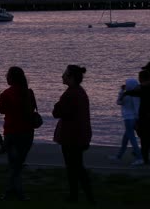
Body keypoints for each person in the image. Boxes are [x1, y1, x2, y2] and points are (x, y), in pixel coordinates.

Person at [53, 65, 95, 204]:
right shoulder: (79, 92)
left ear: (71, 77)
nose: (62, 76)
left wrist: (57, 106)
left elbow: (58, 112)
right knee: (75, 167)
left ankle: (81, 196)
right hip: (78, 136)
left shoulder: (71, 94)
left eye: (65, 74)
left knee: (74, 168)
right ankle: (77, 196)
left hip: (72, 137)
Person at [0, 66, 36, 201]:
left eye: (7, 75)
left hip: (11, 133)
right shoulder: (29, 93)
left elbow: (1, 110)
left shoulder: (6, 94)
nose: (5, 77)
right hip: (27, 133)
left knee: (14, 164)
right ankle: (17, 191)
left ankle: (11, 192)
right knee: (18, 164)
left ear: (11, 78)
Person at [109, 78, 143, 166]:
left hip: (129, 119)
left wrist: (121, 90)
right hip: (131, 119)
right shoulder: (132, 95)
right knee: (125, 139)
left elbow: (119, 102)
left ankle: (139, 158)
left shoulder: (130, 96)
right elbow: (120, 102)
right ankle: (118, 156)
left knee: (132, 139)